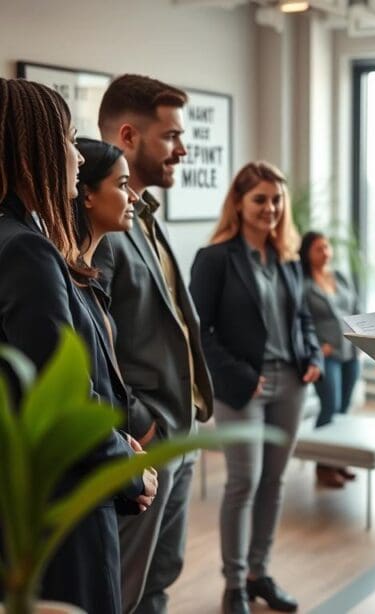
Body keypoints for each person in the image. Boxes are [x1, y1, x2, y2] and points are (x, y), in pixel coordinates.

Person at [0, 78, 156, 614]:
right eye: (68, 139)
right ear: (38, 148)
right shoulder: (25, 250)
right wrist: (127, 467)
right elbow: (61, 395)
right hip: (61, 503)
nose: (74, 153)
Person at [94, 74, 214, 614]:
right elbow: (94, 344)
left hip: (178, 431)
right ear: (128, 136)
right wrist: (142, 423)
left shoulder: (142, 213)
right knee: (121, 586)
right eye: (170, 137)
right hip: (143, 439)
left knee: (160, 578)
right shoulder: (99, 225)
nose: (182, 149)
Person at [189, 161, 323, 614]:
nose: (270, 208)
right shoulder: (215, 259)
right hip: (242, 385)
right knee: (243, 481)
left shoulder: (287, 258)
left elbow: (303, 318)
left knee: (274, 481)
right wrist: (242, 377)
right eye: (260, 199)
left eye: (276, 199)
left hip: (291, 383)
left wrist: (314, 356)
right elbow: (199, 331)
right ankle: (234, 585)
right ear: (240, 203)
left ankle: (258, 573)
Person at [299, 230, 361, 488]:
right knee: (330, 405)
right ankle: (323, 465)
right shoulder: (303, 284)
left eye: (327, 247)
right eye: (318, 249)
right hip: (327, 355)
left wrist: (362, 338)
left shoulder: (340, 277)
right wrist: (314, 346)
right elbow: (302, 320)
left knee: (344, 407)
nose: (325, 252)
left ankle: (337, 460)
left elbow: (356, 308)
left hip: (350, 351)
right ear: (306, 253)